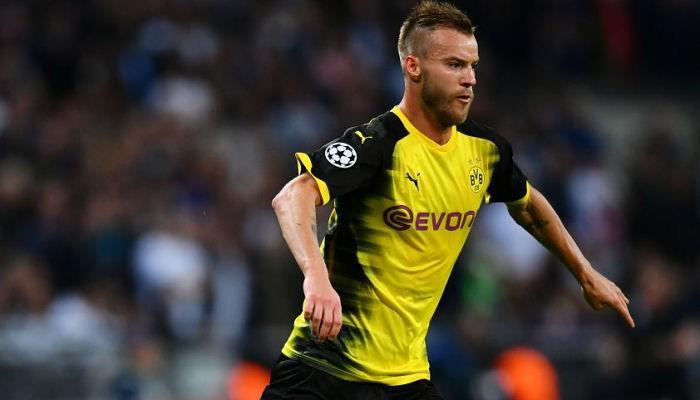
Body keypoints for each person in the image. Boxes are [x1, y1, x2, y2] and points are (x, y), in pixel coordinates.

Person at [262, 1, 634, 399]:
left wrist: (586, 273)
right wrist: (316, 279)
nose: (470, 79)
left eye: (472, 66)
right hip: (320, 370)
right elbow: (292, 197)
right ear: (413, 67)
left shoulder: (485, 151)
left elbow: (526, 204)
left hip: (404, 379)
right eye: (455, 65)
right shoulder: (378, 144)